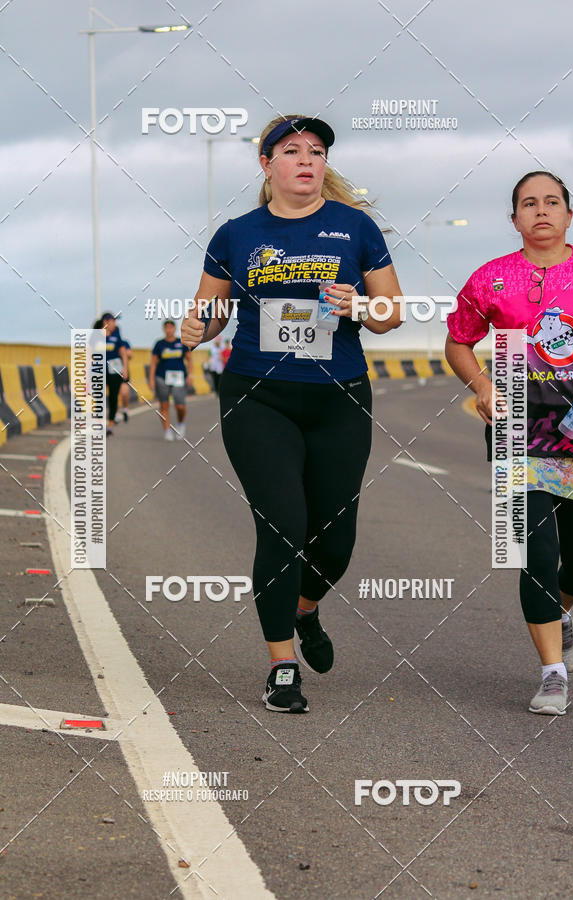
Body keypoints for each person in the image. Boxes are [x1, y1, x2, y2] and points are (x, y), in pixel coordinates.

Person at [182, 114, 403, 713]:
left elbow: (392, 312)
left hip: (339, 397)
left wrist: (359, 305)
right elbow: (210, 315)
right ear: (267, 165)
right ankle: (281, 666)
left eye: (316, 152)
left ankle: (304, 610)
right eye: (292, 151)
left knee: (333, 539)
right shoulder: (236, 234)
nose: (307, 160)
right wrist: (197, 327)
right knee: (281, 522)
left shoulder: (355, 228)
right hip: (260, 395)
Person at [445, 171, 573, 716]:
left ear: (569, 214)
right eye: (528, 204)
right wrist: (484, 386)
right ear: (514, 219)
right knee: (536, 553)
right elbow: (458, 341)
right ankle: (552, 673)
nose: (541, 211)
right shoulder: (492, 278)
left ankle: (561, 612)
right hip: (518, 432)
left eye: (552, 202)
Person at [149, 319, 193, 440]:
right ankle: (167, 430)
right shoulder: (159, 344)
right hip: (161, 377)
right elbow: (153, 363)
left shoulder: (182, 342)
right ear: (164, 329)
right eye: (166, 327)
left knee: (180, 406)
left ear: (174, 329)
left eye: (171, 327)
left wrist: (190, 375)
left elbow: (190, 359)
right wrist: (151, 379)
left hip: (179, 378)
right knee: (164, 405)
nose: (169, 330)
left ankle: (180, 424)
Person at [96, 313, 128, 436]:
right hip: (99, 370)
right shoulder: (96, 336)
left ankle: (110, 424)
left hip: (114, 370)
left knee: (114, 397)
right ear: (106, 322)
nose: (115, 324)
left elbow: (123, 353)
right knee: (99, 397)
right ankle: (100, 423)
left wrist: (125, 369)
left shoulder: (116, 336)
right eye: (113, 321)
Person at [116, 332, 133, 422]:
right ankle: (115, 412)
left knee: (124, 392)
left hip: (122, 372)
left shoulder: (123, 343)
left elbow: (130, 355)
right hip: (110, 372)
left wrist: (123, 352)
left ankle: (125, 408)